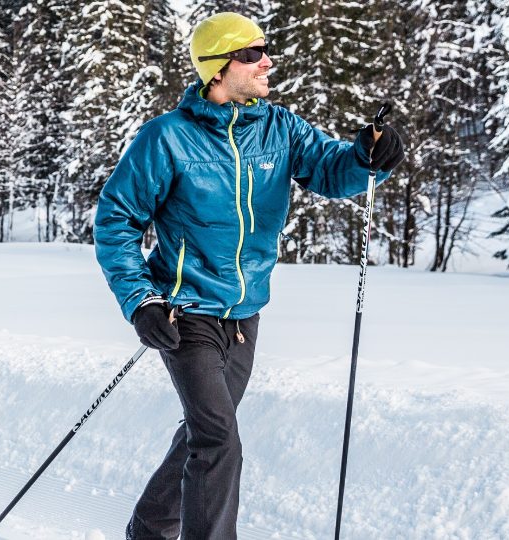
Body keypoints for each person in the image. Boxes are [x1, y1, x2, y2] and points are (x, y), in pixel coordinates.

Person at [92, 13, 408, 539]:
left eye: (265, 50)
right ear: (218, 69)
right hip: (184, 311)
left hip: (243, 318)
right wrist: (139, 301)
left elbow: (331, 169)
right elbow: (116, 221)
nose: (267, 62)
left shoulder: (280, 128)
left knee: (206, 434)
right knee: (218, 441)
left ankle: (148, 528)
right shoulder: (168, 139)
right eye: (251, 54)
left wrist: (366, 156)